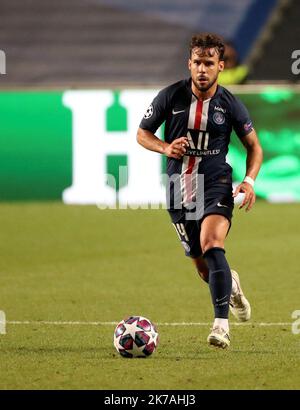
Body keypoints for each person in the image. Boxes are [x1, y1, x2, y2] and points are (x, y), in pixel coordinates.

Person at [136, 33, 263, 349]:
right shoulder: (171, 97)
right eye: (197, 63)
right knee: (204, 268)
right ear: (189, 64)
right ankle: (230, 284)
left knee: (212, 243)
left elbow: (254, 147)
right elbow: (142, 134)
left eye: (209, 63)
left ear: (221, 66)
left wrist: (249, 181)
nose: (202, 69)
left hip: (216, 182)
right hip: (179, 187)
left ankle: (221, 326)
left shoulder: (230, 104)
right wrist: (166, 148)